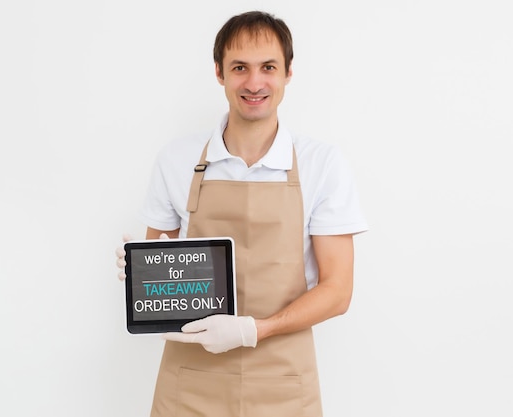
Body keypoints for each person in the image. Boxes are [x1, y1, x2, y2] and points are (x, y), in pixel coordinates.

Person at [115, 10, 368, 417]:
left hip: (284, 382)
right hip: (191, 383)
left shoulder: (322, 164)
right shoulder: (176, 160)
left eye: (268, 67)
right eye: (239, 68)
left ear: (288, 72)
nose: (254, 83)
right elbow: (162, 276)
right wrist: (141, 274)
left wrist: (254, 329)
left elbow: (337, 291)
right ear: (219, 73)